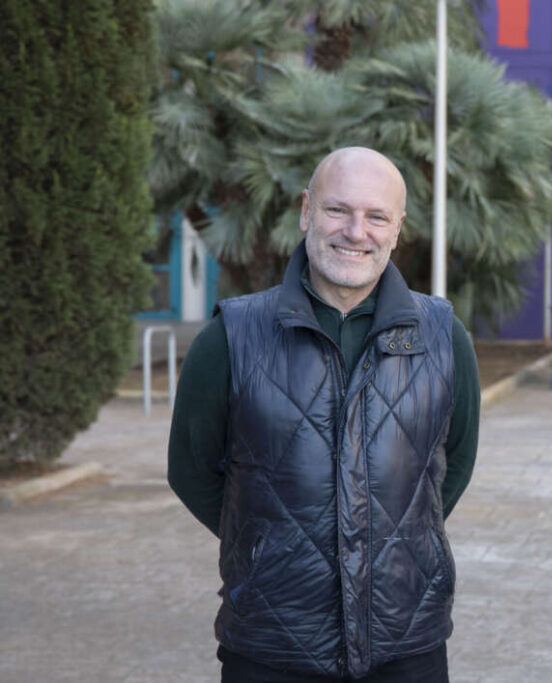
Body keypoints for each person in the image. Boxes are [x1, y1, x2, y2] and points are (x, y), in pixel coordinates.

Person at [168, 147, 480, 682]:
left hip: (406, 646)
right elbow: (191, 470)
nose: (356, 232)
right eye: (338, 210)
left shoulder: (444, 337)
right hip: (271, 645)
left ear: (398, 228)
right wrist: (271, 543)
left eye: (376, 216)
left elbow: (449, 470)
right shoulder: (231, 336)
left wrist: (385, 535)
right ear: (306, 210)